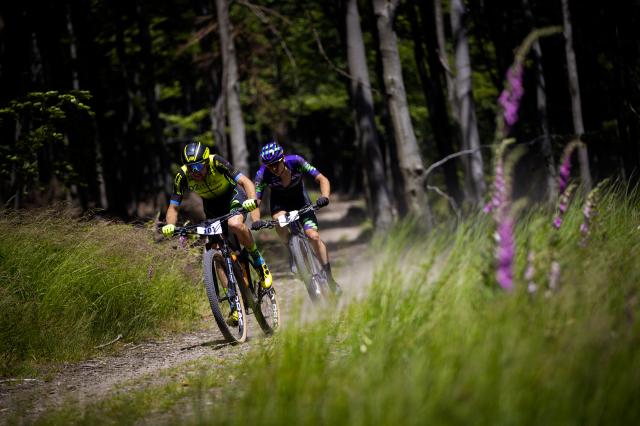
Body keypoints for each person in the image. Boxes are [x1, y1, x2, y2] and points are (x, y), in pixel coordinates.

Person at [161, 141, 273, 322]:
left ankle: (259, 262)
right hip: (212, 207)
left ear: (205, 162)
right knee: (215, 252)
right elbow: (173, 207)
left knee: (235, 224)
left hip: (233, 196)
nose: (195, 171)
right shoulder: (182, 175)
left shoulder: (216, 162)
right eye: (190, 168)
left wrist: (252, 201)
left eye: (198, 166)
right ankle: (235, 306)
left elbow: (245, 182)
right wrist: (170, 226)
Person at [249, 140, 341, 294]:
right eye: (269, 165)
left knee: (314, 236)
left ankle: (329, 278)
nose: (273, 168)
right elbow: (255, 202)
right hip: (280, 205)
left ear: (283, 158)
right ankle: (291, 250)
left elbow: (322, 179)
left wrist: (324, 196)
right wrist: (256, 221)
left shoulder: (296, 161)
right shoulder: (262, 174)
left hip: (301, 202)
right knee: (279, 221)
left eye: (276, 164)